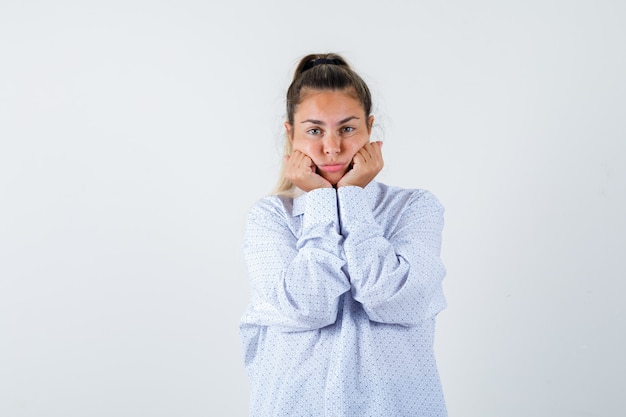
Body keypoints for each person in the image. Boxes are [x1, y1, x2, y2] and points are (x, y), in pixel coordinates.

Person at [238, 52, 448, 417]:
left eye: (347, 129)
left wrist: (351, 201)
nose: (332, 147)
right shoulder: (270, 218)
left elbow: (394, 299)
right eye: (314, 130)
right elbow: (307, 307)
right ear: (291, 134)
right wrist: (321, 200)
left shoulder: (415, 208)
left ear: (369, 129)